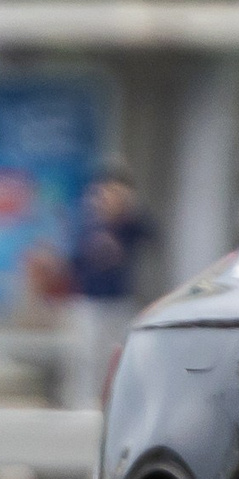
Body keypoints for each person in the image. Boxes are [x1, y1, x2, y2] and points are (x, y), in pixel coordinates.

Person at [63, 162, 151, 410]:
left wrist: (124, 216)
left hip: (119, 299)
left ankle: (113, 404)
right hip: (88, 299)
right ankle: (82, 405)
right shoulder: (87, 221)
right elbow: (73, 258)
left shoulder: (130, 223)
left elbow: (150, 236)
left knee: (116, 355)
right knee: (85, 357)